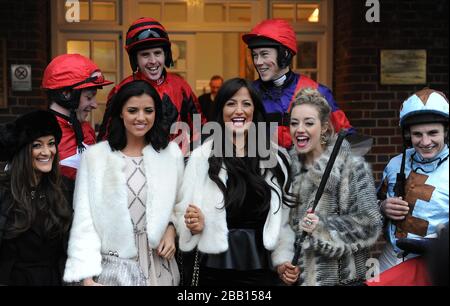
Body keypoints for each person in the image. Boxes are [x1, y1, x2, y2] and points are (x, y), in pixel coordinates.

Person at [174, 77, 296, 286]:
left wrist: (283, 261)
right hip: (212, 272)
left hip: (262, 272)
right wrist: (195, 226)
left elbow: (284, 221)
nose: (239, 110)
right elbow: (182, 212)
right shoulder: (201, 157)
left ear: (255, 111)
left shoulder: (276, 157)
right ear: (220, 110)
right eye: (231, 103)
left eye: (246, 104)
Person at [63, 80, 183, 286]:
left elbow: (181, 203)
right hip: (111, 269)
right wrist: (86, 276)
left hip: (159, 265)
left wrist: (172, 229)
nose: (141, 118)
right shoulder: (96, 157)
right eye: (133, 110)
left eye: (148, 110)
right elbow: (84, 220)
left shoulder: (171, 154)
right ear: (120, 112)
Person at [282, 88, 381, 286]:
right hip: (300, 279)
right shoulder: (286, 166)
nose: (299, 129)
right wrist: (283, 263)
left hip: (343, 280)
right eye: (294, 123)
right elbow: (281, 226)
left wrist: (321, 227)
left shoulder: (352, 166)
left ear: (325, 127)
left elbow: (371, 224)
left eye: (309, 123)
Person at [242, 19, 354, 149]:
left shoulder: (317, 92)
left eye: (264, 54)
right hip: (262, 168)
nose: (258, 62)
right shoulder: (248, 94)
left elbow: (347, 138)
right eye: (255, 55)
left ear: (285, 53)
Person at [97, 17, 205, 152]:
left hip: (175, 166)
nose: (153, 61)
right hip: (134, 165)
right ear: (135, 58)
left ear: (166, 55)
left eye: (157, 53)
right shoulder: (121, 90)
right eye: (145, 55)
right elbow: (106, 137)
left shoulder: (181, 86)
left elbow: (200, 128)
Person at [376, 89, 449, 275]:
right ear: (408, 134)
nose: (425, 142)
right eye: (417, 134)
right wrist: (382, 206)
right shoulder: (394, 165)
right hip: (390, 258)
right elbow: (369, 209)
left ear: (446, 131)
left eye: (433, 133)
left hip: (436, 264)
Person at [0, 110, 72, 285]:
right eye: (37, 145)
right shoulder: (4, 191)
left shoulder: (66, 188)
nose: (47, 152)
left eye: (51, 143)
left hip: (55, 279)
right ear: (23, 150)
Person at [41, 53, 113, 193]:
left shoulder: (85, 129)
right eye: (89, 97)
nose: (94, 105)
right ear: (66, 94)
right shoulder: (37, 132)